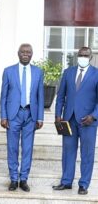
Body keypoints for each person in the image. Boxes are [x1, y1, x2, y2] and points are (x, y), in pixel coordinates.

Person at [53, 47, 98, 195]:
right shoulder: (68, 72)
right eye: (81, 55)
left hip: (88, 121)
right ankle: (66, 182)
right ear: (77, 56)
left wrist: (94, 115)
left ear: (90, 58)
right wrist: (58, 116)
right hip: (69, 120)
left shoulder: (96, 74)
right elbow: (60, 96)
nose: (83, 57)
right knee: (68, 152)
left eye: (86, 55)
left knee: (87, 154)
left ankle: (83, 184)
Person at [0, 43, 44, 192]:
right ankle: (13, 179)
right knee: (12, 148)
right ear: (18, 54)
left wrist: (40, 117)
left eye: (28, 52)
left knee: (27, 148)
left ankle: (23, 179)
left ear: (32, 54)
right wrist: (3, 116)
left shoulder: (38, 72)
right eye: (23, 52)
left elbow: (40, 96)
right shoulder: (8, 71)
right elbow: (4, 96)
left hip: (31, 115)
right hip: (13, 115)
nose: (26, 54)